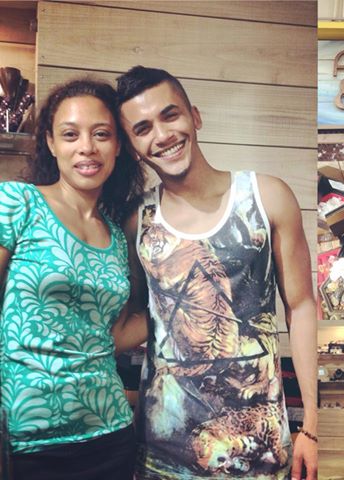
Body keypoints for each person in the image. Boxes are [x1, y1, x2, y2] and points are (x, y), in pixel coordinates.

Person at [114, 66, 318, 480]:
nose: (162, 135)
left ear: (195, 116)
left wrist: (314, 423)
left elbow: (301, 307)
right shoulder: (138, 220)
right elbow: (139, 317)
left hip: (259, 454)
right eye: (143, 128)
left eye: (170, 115)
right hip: (162, 454)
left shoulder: (266, 196)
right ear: (133, 147)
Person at [0, 78, 144, 480]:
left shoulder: (117, 236)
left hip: (111, 432)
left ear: (118, 145)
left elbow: (112, 335)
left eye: (101, 134)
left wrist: (179, 307)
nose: (87, 147)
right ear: (50, 142)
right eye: (70, 134)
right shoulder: (17, 203)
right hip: (27, 440)